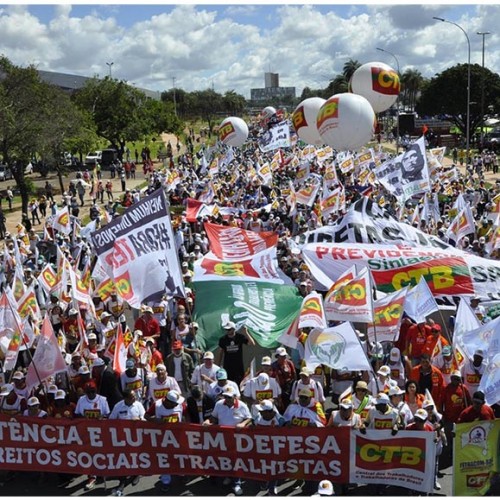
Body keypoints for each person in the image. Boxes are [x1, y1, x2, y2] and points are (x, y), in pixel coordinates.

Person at [203, 386, 252, 496]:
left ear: (235, 397)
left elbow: (249, 418)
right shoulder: (219, 404)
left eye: (229, 397)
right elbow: (214, 417)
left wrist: (243, 424)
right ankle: (229, 476)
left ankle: (237, 483)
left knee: (236, 459)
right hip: (222, 437)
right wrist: (208, 421)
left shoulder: (242, 406)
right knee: (224, 458)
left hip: (237, 437)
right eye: (225, 397)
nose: (227, 399)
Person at [145, 390, 185, 493]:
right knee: (164, 459)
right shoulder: (157, 405)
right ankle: (165, 481)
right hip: (163, 439)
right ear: (168, 402)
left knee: (179, 457)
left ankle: (180, 474)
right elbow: (146, 416)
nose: (177, 404)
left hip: (177, 437)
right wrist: (155, 420)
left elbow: (186, 414)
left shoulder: (180, 404)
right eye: (175, 403)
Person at [74, 380, 110, 491]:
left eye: (92, 391)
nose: (91, 394)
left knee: (100, 453)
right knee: (89, 454)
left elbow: (108, 416)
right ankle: (91, 477)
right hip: (86, 433)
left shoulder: (102, 400)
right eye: (88, 392)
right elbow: (77, 415)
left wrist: (102, 419)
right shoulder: (81, 400)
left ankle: (102, 472)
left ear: (96, 390)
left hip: (100, 432)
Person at [108, 389, 145, 496]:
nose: (135, 398)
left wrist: (139, 419)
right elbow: (111, 420)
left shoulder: (138, 405)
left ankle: (136, 474)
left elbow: (145, 418)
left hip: (136, 437)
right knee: (123, 458)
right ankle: (122, 480)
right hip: (122, 438)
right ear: (125, 398)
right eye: (132, 397)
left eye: (134, 396)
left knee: (135, 456)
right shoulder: (118, 406)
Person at [216, 321, 255, 385]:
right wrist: (218, 365)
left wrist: (246, 332)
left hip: (238, 366)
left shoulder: (239, 337)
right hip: (227, 366)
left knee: (239, 383)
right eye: (226, 329)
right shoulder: (223, 339)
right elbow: (220, 353)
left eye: (229, 329)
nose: (227, 331)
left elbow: (252, 343)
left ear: (234, 329)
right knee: (228, 383)